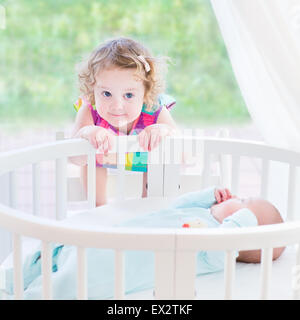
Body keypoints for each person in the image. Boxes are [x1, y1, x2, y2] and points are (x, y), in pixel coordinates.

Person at [2, 186, 285, 300]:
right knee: (55, 254)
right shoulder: (200, 213)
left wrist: (244, 218)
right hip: (103, 240)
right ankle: (16, 281)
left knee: (66, 286)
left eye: (245, 201)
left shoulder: (214, 249)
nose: (238, 196)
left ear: (243, 226)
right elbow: (177, 203)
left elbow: (227, 239)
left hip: (111, 267)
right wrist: (209, 195)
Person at [69, 37, 178, 205]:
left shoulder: (154, 110)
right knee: (89, 159)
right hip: (105, 157)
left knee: (159, 161)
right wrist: (86, 133)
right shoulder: (90, 110)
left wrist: (163, 130)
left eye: (128, 95)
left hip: (143, 159)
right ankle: (98, 208)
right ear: (93, 88)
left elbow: (180, 148)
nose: (117, 106)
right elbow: (74, 158)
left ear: (146, 92)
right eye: (106, 94)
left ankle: (147, 207)